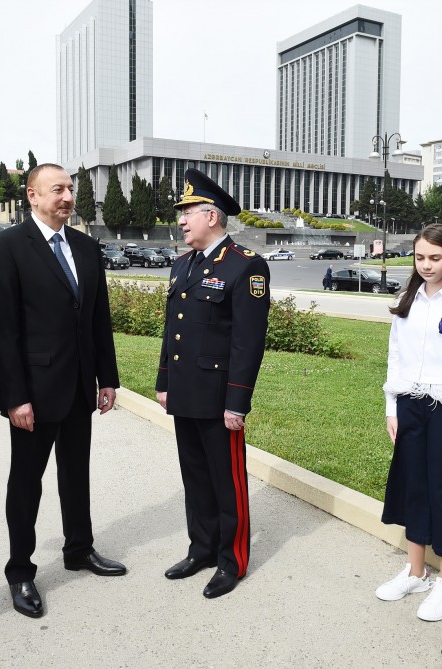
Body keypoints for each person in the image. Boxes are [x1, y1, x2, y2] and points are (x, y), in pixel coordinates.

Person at [0, 163, 124, 619]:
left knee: (75, 474)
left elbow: (98, 318)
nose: (67, 196)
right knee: (26, 484)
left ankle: (79, 548)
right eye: (57, 189)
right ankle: (20, 570)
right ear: (32, 196)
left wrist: (108, 377)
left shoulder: (84, 246)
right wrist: (14, 397)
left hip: (80, 387)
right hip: (34, 395)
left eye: (70, 189)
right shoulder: (7, 248)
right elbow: (1, 332)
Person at [156, 168, 271, 599]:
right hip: (185, 393)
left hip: (219, 397)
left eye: (188, 213)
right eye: (181, 214)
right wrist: (164, 380)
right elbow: (174, 330)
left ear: (213, 215)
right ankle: (201, 548)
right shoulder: (183, 264)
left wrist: (237, 403)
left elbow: (248, 342)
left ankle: (231, 559)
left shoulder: (245, 266)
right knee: (196, 477)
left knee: (227, 481)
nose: (181, 221)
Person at [376, 224, 442, 622]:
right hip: (410, 404)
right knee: (413, 485)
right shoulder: (407, 298)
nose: (426, 265)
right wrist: (392, 405)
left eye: (435, 258)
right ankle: (416, 571)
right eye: (419, 257)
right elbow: (395, 354)